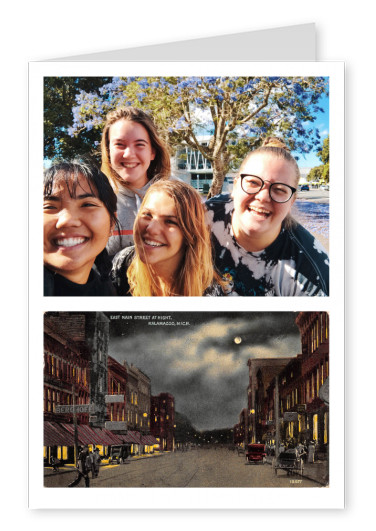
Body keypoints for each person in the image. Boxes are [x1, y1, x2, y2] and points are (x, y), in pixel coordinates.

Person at [206, 137, 329, 296]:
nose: (263, 197)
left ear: (292, 201)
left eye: (279, 189)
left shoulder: (311, 274)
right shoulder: (203, 216)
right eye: (253, 183)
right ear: (235, 186)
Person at [111, 180, 226, 296]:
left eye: (170, 221)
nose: (152, 228)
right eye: (147, 215)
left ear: (190, 234)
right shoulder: (122, 264)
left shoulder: (210, 294)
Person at [101, 106, 171, 257]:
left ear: (152, 152)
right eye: (119, 144)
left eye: (139, 144)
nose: (129, 154)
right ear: (108, 151)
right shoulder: (95, 199)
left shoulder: (176, 196)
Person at [44, 158, 119, 296]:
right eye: (49, 207)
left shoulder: (107, 292)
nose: (67, 221)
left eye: (87, 205)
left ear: (111, 224)